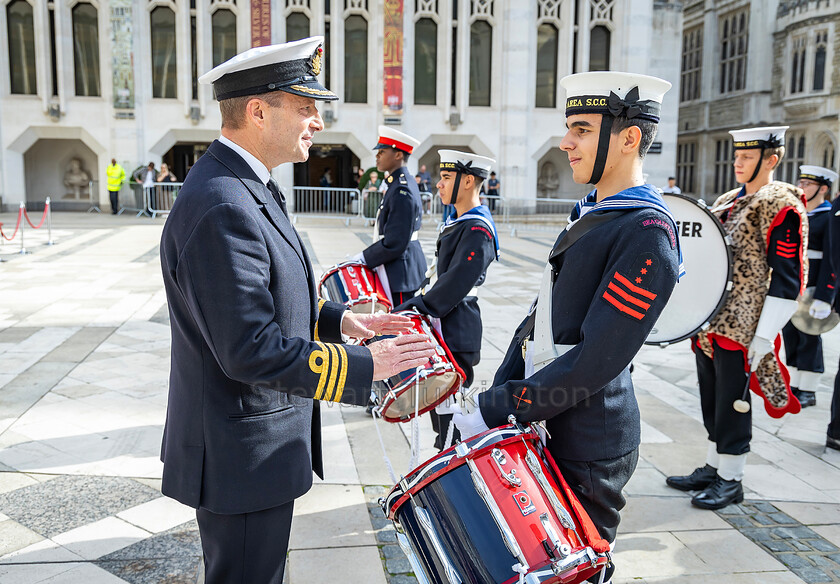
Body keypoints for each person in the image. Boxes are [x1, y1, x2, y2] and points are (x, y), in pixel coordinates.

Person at [158, 37, 434, 584]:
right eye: (305, 107)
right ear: (258, 111)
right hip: (239, 458)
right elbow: (248, 349)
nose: (317, 121)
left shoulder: (244, 186)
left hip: (257, 450)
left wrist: (341, 321)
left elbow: (270, 293)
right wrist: (367, 366)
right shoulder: (221, 205)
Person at [452, 72, 681, 583]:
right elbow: (542, 323)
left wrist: (499, 405)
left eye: (581, 129)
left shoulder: (647, 231)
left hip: (589, 440)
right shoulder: (597, 214)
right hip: (552, 418)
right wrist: (497, 395)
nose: (565, 142)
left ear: (629, 138)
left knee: (576, 572)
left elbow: (596, 360)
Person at [666, 126, 806, 510]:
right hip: (711, 318)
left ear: (771, 160)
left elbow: (788, 278)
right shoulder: (728, 200)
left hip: (744, 323)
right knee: (711, 396)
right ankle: (714, 465)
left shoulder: (781, 205)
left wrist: (765, 334)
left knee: (733, 400)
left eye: (747, 157)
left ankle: (732, 478)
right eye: (737, 155)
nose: (738, 163)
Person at [394, 150, 500, 451]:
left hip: (457, 330)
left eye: (446, 178)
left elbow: (455, 285)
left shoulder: (477, 228)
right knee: (442, 421)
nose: (438, 185)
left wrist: (413, 307)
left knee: (453, 423)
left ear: (468, 181)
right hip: (446, 326)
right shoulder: (461, 221)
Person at [782, 165, 837, 408]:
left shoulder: (828, 216)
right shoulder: (799, 212)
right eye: (801, 182)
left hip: (815, 283)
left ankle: (809, 388)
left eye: (808, 184)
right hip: (794, 282)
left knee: (810, 335)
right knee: (791, 334)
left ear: (823, 189)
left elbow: (832, 258)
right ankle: (795, 383)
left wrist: (826, 294)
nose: (801, 187)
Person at [354, 126, 428, 306]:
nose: (377, 156)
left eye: (382, 151)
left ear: (398, 155)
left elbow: (396, 241)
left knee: (400, 326)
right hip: (399, 266)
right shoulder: (398, 183)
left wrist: (363, 258)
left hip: (402, 271)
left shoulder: (402, 189)